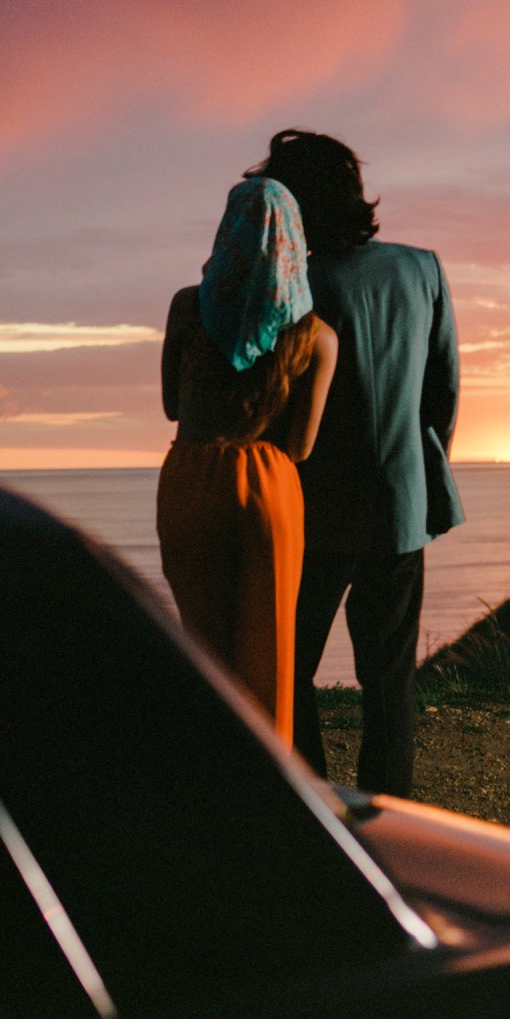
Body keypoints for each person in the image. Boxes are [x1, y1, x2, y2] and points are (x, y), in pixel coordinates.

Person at [251, 130, 462, 796]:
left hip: (315, 512)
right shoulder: (423, 267)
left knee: (288, 670)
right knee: (389, 682)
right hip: (402, 506)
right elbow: (443, 393)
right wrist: (416, 471)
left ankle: (312, 803)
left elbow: (276, 404)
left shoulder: (298, 286)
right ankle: (391, 821)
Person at [157, 176, 337, 743]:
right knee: (271, 655)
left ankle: (208, 773)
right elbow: (302, 447)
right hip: (268, 484)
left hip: (190, 476)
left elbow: (169, 407)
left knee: (203, 651)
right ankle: (268, 792)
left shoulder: (187, 308)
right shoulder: (317, 335)